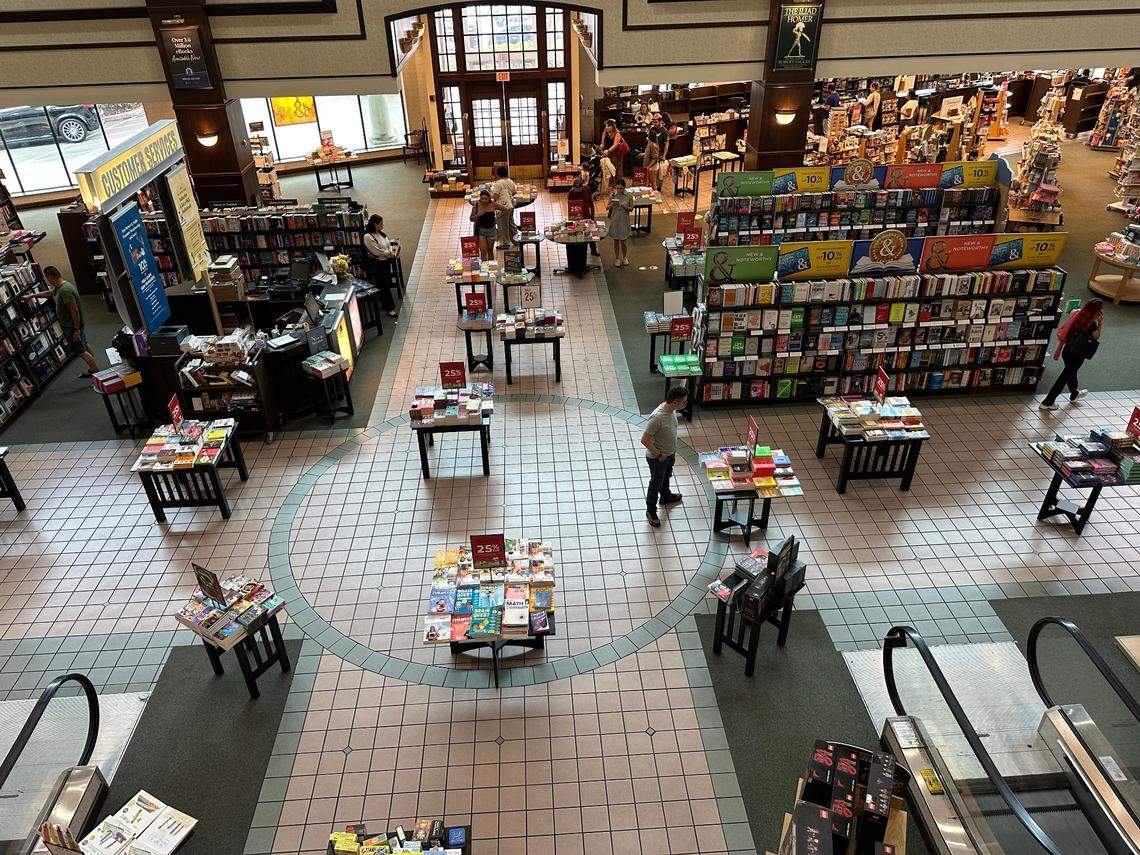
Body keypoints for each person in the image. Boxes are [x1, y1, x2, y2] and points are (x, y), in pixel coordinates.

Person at [22, 266, 98, 377]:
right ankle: (93, 369)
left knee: (81, 351)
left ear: (50, 277)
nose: (48, 281)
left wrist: (76, 329)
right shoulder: (62, 286)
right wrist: (32, 295)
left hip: (72, 326)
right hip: (74, 325)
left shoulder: (65, 291)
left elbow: (74, 310)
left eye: (47, 278)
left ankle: (97, 374)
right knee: (84, 345)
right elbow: (49, 293)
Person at [1039, 299, 1102, 410]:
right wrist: (1100, 323)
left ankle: (1074, 393)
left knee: (1070, 372)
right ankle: (1048, 401)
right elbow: (1096, 336)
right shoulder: (1092, 323)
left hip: (1067, 349)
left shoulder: (1078, 314)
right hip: (1078, 353)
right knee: (1065, 376)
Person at [641, 385, 689, 527]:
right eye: (684, 402)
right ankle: (651, 510)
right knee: (655, 483)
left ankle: (666, 496)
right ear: (675, 402)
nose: (685, 404)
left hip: (669, 454)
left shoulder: (671, 410)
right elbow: (644, 439)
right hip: (658, 458)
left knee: (666, 476)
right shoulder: (657, 417)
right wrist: (659, 454)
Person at [363, 214, 399, 316]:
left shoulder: (381, 233)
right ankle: (390, 308)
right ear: (375, 224)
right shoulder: (368, 236)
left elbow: (388, 244)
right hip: (378, 265)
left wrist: (390, 252)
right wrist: (388, 253)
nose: (383, 225)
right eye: (381, 224)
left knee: (385, 284)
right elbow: (376, 251)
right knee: (384, 286)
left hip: (385, 262)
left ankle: (386, 305)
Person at [566, 177, 600, 257]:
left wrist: (592, 215)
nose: (577, 190)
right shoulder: (571, 193)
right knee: (577, 232)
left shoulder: (586, 190)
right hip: (576, 216)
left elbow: (591, 203)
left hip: (586, 215)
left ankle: (593, 250)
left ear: (582, 186)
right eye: (575, 188)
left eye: (579, 188)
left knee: (590, 231)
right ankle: (578, 249)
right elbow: (570, 207)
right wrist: (571, 218)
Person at [607, 177, 633, 268]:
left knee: (623, 242)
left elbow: (631, 209)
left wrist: (623, 205)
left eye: (621, 188)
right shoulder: (612, 195)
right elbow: (607, 207)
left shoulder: (629, 196)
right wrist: (612, 205)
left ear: (624, 188)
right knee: (616, 240)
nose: (619, 190)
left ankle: (625, 257)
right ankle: (617, 258)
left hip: (624, 221)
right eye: (617, 188)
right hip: (615, 220)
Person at [490, 165, 517, 250]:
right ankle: (515, 240)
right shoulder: (510, 181)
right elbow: (514, 192)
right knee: (511, 223)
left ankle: (505, 243)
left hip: (502, 207)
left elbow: (495, 196)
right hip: (511, 205)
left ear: (498, 174)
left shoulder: (498, 183)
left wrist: (489, 195)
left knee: (502, 224)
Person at [469, 191, 498, 262]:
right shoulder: (477, 205)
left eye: (486, 198)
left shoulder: (493, 204)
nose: (484, 200)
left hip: (491, 230)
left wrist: (497, 218)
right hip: (481, 230)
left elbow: (505, 209)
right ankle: (484, 268)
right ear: (480, 198)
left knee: (490, 250)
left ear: (489, 198)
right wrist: (478, 214)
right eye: (482, 198)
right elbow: (471, 219)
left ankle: (491, 267)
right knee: (483, 251)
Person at [648, 114, 670, 191]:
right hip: (652, 153)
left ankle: (659, 187)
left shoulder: (664, 131)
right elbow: (649, 141)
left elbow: (666, 144)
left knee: (660, 172)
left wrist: (664, 155)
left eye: (656, 122)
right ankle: (651, 186)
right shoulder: (652, 129)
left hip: (660, 154)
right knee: (652, 171)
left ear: (661, 121)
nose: (654, 124)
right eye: (653, 122)